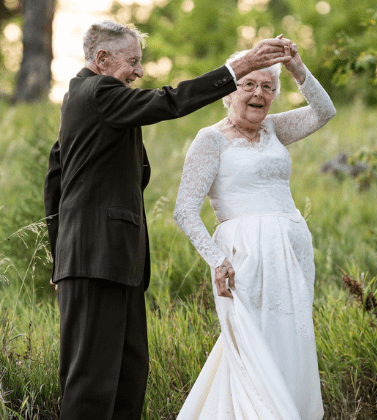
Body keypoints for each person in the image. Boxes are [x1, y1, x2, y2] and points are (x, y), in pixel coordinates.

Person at [43, 20, 293, 420]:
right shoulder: (97, 90)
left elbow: (55, 177)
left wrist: (60, 257)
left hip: (114, 261)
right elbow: (169, 101)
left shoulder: (86, 103)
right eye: (133, 62)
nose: (139, 72)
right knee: (91, 385)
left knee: (128, 378)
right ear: (102, 59)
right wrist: (240, 68)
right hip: (95, 259)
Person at [172, 40, 335, 419]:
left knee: (290, 342)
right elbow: (184, 211)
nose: (259, 93)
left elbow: (324, 111)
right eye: (248, 84)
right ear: (228, 93)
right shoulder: (210, 139)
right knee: (253, 347)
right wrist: (217, 261)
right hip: (244, 259)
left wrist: (296, 67)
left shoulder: (274, 129)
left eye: (267, 87)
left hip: (293, 252)